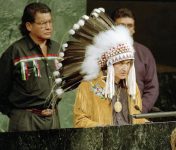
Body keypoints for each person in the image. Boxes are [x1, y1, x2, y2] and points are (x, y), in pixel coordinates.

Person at [72, 22, 149, 128]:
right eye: (121, 63)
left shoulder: (131, 86)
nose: (125, 68)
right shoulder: (89, 85)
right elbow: (79, 121)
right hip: (102, 141)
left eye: (128, 63)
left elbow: (137, 119)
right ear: (109, 64)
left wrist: (147, 124)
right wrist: (103, 129)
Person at [0, 2, 61, 131]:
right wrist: (16, 114)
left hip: (53, 118)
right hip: (25, 120)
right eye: (42, 23)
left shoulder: (57, 49)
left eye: (50, 22)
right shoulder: (15, 52)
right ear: (29, 26)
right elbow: (1, 90)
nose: (48, 27)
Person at [111, 8, 159, 113]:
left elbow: (152, 88)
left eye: (130, 26)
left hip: (137, 114)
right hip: (107, 113)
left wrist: (140, 110)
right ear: (113, 27)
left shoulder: (144, 53)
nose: (126, 30)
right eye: (122, 26)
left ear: (134, 29)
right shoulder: (104, 53)